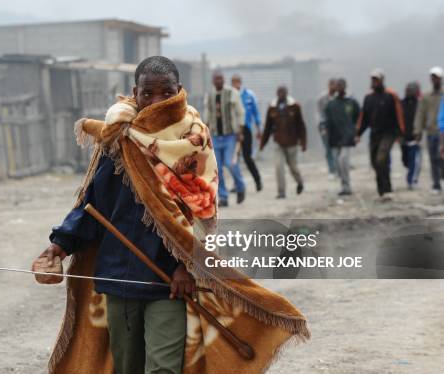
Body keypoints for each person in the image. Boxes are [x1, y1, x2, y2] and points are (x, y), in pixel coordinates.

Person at [36, 56, 310, 374]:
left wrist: (185, 266)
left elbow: (203, 212)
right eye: (147, 94)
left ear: (179, 91)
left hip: (168, 281)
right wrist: (59, 246)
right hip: (117, 278)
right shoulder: (118, 138)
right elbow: (91, 207)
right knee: (126, 367)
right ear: (134, 93)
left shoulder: (194, 141)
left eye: (165, 93)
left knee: (164, 369)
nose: (156, 101)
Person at [356, 69, 405, 200]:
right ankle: (381, 190)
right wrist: (358, 133)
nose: (374, 82)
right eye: (372, 79)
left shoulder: (391, 95)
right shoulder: (368, 98)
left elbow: (399, 114)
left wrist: (400, 132)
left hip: (389, 133)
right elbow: (364, 118)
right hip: (375, 133)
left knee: (381, 158)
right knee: (375, 162)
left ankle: (387, 188)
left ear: (382, 80)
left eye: (376, 79)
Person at [204, 71, 246, 206]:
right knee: (217, 168)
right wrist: (205, 130)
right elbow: (207, 113)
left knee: (230, 163)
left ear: (224, 80)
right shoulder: (210, 95)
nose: (219, 81)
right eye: (216, 79)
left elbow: (240, 112)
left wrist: (240, 130)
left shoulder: (232, 93)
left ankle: (240, 187)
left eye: (221, 79)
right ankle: (223, 197)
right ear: (213, 81)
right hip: (216, 136)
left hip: (230, 135)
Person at [260, 86, 307, 199]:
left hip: (292, 143)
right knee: (278, 167)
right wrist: (263, 143)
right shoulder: (272, 107)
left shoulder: (294, 106)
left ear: (287, 93)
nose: (281, 94)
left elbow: (301, 125)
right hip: (278, 143)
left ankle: (299, 182)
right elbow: (268, 127)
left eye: (283, 92)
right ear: (277, 93)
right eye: (279, 92)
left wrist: (303, 142)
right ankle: (281, 192)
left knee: (293, 167)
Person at [325, 78, 360, 196]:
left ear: (345, 86)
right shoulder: (331, 103)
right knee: (337, 163)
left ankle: (347, 186)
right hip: (335, 137)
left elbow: (358, 116)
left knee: (343, 159)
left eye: (341, 85)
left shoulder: (351, 102)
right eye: (337, 85)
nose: (339, 87)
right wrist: (324, 129)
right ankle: (343, 183)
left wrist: (355, 131)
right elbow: (327, 119)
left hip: (347, 136)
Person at [231, 74, 263, 191]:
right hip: (233, 130)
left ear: (241, 82)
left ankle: (257, 180)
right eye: (234, 82)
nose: (236, 84)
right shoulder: (230, 95)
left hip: (246, 129)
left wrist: (259, 128)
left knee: (247, 157)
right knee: (234, 159)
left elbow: (256, 112)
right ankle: (237, 184)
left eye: (238, 82)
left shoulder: (249, 95)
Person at [414, 66, 443, 194]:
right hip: (431, 131)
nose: (434, 80)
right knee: (433, 159)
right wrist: (418, 130)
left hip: (443, 132)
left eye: (436, 77)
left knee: (441, 157)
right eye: (433, 77)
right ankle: (436, 184)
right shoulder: (426, 97)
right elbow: (420, 114)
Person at [401, 82, 422, 189]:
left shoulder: (419, 104)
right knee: (405, 161)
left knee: (413, 160)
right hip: (404, 137)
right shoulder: (401, 104)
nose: (408, 92)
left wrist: (419, 133)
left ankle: (411, 181)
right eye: (407, 89)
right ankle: (411, 175)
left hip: (415, 137)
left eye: (411, 90)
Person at [317, 79, 339, 178]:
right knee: (328, 149)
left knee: (338, 148)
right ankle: (332, 170)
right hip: (325, 126)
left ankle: (339, 168)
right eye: (332, 85)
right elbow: (320, 113)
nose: (333, 87)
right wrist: (322, 126)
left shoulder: (339, 97)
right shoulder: (322, 98)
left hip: (337, 127)